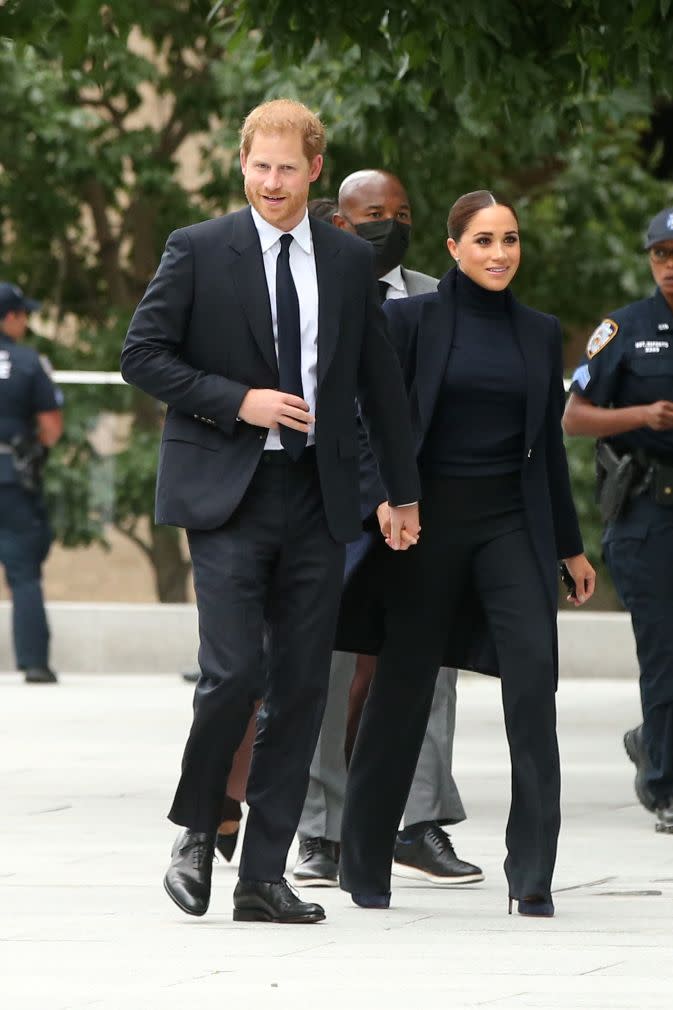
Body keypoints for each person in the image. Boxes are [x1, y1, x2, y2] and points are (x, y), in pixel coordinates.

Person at [120, 99, 421, 925]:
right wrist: (238, 401)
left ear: (314, 170)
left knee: (299, 688)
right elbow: (140, 356)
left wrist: (402, 492)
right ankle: (196, 824)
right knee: (232, 677)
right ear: (241, 163)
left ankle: (262, 874)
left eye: (288, 169)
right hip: (227, 495)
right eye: (260, 167)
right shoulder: (197, 248)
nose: (272, 184)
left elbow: (378, 385)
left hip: (319, 499)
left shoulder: (348, 262)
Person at [335, 190, 596, 917]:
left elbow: (545, 452)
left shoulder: (539, 333)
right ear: (452, 248)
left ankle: (532, 873)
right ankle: (364, 861)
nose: (498, 253)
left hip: (511, 525)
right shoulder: (409, 318)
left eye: (509, 240)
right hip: (425, 527)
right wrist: (386, 495)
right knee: (401, 690)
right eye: (483, 240)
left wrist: (569, 549)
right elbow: (369, 421)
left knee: (533, 685)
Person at [294, 169, 483, 889]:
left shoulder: (439, 297)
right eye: (377, 213)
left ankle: (418, 822)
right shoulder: (310, 291)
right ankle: (321, 832)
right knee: (328, 667)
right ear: (340, 221)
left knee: (427, 666)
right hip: (332, 503)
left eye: (403, 213)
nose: (392, 225)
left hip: (417, 506)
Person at [563, 206, 673, 835]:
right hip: (647, 515)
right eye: (661, 255)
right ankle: (662, 787)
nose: (669, 267)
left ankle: (650, 739)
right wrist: (643, 416)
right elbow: (573, 418)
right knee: (663, 651)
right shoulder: (624, 329)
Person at [0, 282, 62, 684]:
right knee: (23, 571)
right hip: (9, 476)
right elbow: (51, 426)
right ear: (10, 318)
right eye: (24, 314)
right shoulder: (27, 361)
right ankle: (34, 663)